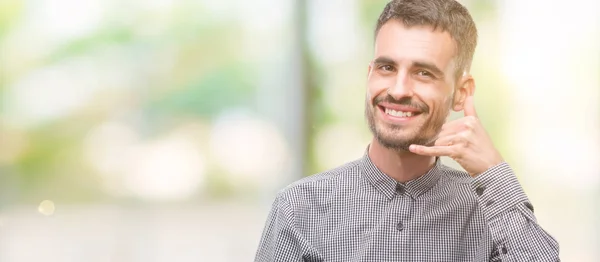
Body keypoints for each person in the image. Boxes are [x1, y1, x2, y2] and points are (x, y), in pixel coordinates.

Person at [254, 0, 560, 261]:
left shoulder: (491, 214)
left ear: (461, 92)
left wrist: (493, 172)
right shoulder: (299, 210)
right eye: (387, 68)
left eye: (423, 73)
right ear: (370, 75)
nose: (399, 90)